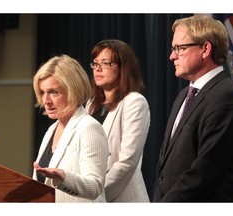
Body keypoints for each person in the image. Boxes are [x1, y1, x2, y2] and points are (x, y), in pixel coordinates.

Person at [153, 15, 233, 202]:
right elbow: (163, 167)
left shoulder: (227, 96)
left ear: (205, 49)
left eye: (179, 48)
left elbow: (204, 173)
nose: (172, 56)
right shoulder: (183, 96)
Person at [32, 54, 108, 202]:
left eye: (53, 92)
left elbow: (95, 187)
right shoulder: (51, 130)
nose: (46, 101)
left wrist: (63, 178)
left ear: (73, 90)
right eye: (42, 92)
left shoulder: (88, 127)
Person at [86, 39, 150, 202]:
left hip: (122, 197)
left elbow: (127, 161)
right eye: (95, 63)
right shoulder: (91, 104)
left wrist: (95, 193)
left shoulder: (134, 102)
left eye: (106, 63)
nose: (98, 68)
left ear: (123, 68)